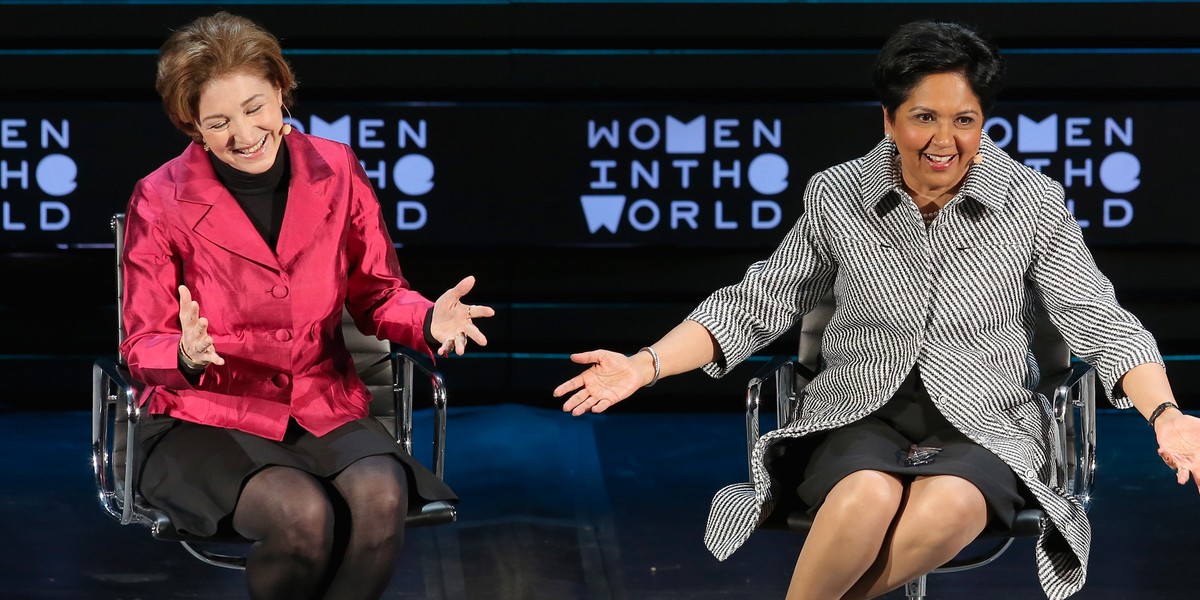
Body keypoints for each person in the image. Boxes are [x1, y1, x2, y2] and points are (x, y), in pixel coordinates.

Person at [555, 20, 1200, 600]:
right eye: (923, 118)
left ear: (984, 122)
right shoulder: (839, 195)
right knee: (865, 496)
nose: (944, 141)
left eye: (964, 120)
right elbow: (752, 304)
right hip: (857, 413)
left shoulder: (1031, 202)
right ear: (888, 120)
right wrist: (646, 364)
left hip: (987, 423)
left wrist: (1166, 415)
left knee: (946, 504)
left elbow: (1101, 318)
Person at [121, 12, 493, 600]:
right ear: (191, 124)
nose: (242, 135)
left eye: (254, 109)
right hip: (205, 413)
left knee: (381, 499)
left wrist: (425, 318)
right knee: (301, 517)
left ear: (280, 92)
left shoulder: (337, 169)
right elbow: (142, 345)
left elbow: (378, 293)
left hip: (319, 402)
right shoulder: (160, 198)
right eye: (217, 122)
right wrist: (185, 354)